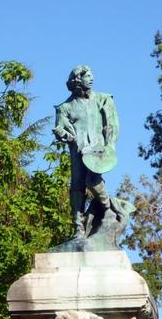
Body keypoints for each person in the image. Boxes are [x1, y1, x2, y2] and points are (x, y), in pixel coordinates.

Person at [53, 65, 119, 239]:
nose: (92, 78)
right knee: (77, 187)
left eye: (92, 75)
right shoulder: (64, 107)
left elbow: (111, 125)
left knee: (93, 179)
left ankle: (107, 208)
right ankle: (78, 228)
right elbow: (62, 131)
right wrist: (62, 135)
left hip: (98, 151)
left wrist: (110, 145)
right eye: (88, 76)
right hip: (78, 152)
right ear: (77, 80)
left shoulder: (103, 99)